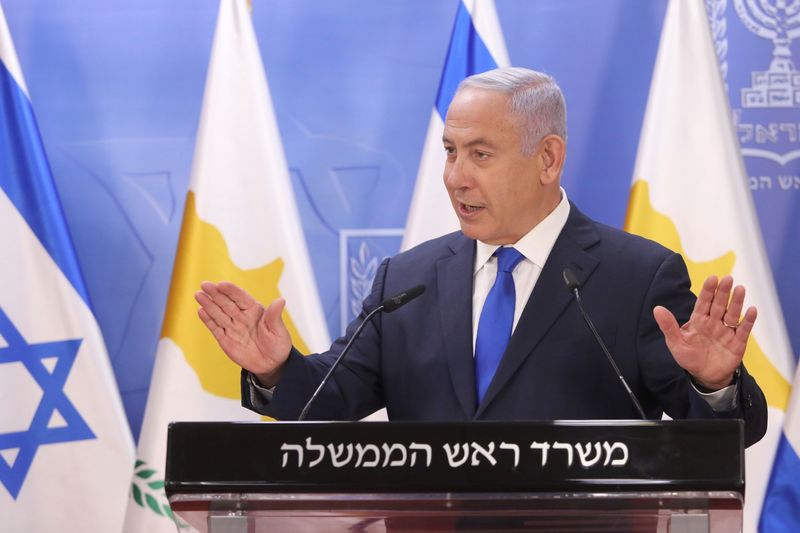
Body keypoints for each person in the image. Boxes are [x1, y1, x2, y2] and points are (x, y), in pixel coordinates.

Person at [195, 67, 767, 447]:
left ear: (547, 159)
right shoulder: (408, 280)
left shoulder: (637, 278)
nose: (455, 177)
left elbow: (723, 440)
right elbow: (327, 404)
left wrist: (715, 384)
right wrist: (274, 367)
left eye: (480, 154)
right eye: (449, 152)